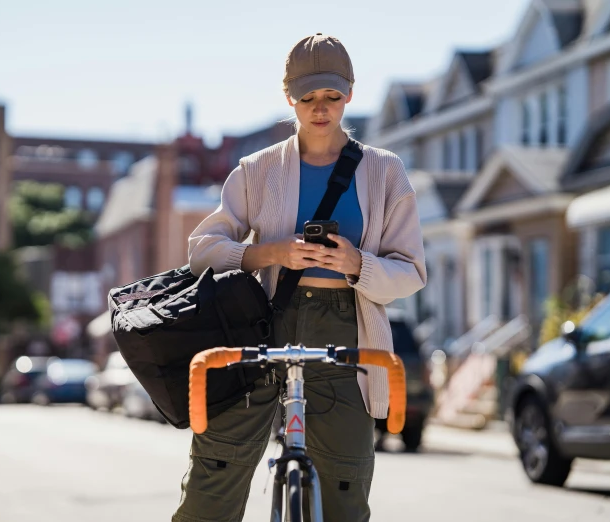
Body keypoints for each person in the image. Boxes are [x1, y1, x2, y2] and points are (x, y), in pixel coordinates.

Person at [173, 33, 427, 522]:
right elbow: (202, 251)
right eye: (307, 98)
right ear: (288, 97)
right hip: (262, 326)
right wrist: (270, 252)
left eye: (332, 97)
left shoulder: (384, 171)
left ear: (349, 93)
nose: (320, 109)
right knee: (213, 479)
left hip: (346, 333)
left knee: (346, 492)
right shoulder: (257, 169)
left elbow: (412, 271)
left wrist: (358, 265)